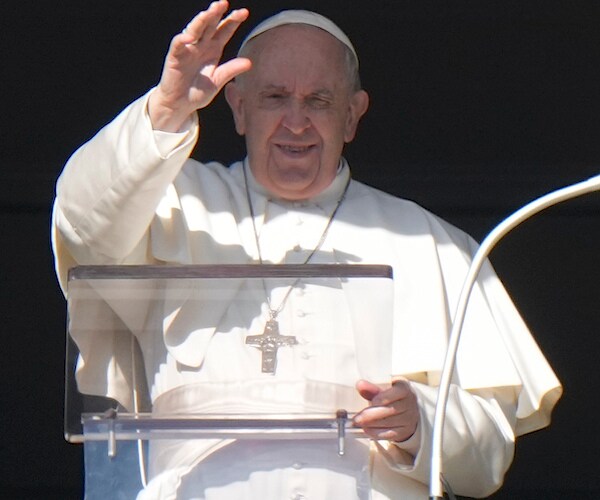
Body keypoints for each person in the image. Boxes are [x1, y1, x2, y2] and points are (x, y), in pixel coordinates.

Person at [52, 2, 562, 498]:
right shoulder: (170, 205)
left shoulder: (431, 243)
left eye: (319, 101)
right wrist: (166, 108)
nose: (296, 122)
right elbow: (81, 224)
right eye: (275, 97)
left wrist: (420, 420)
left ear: (352, 116)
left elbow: (489, 456)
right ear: (238, 105)